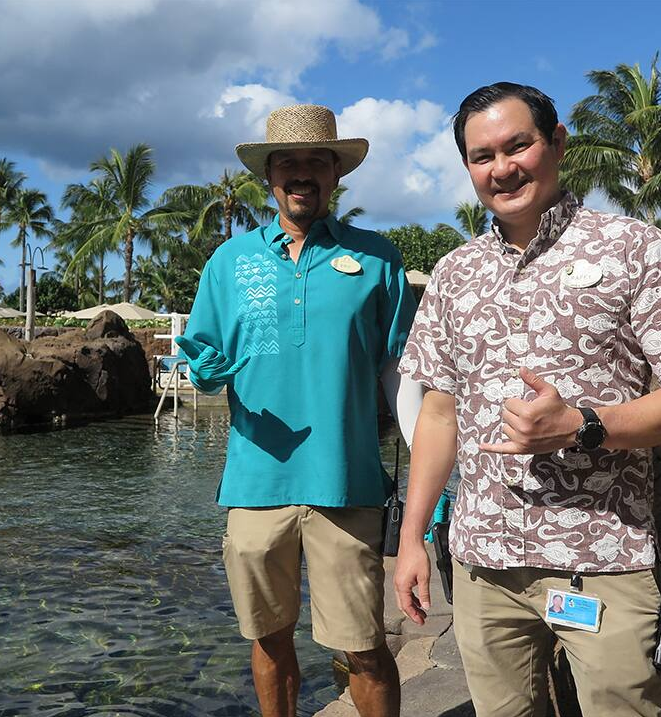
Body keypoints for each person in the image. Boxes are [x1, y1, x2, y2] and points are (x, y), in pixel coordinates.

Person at [392, 82, 661, 717]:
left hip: (602, 557)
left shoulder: (631, 247)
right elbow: (439, 412)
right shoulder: (452, 273)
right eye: (481, 156)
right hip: (483, 564)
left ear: (557, 144)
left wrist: (585, 425)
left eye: (518, 146)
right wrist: (412, 538)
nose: (502, 168)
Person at [178, 104, 420, 717]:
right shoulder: (228, 262)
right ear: (269, 175)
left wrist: (432, 483)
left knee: (364, 647)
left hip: (348, 484)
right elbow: (204, 358)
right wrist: (205, 372)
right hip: (254, 485)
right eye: (289, 162)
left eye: (317, 161)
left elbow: (404, 374)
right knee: (268, 638)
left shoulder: (377, 258)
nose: (302, 173)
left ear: (336, 172)